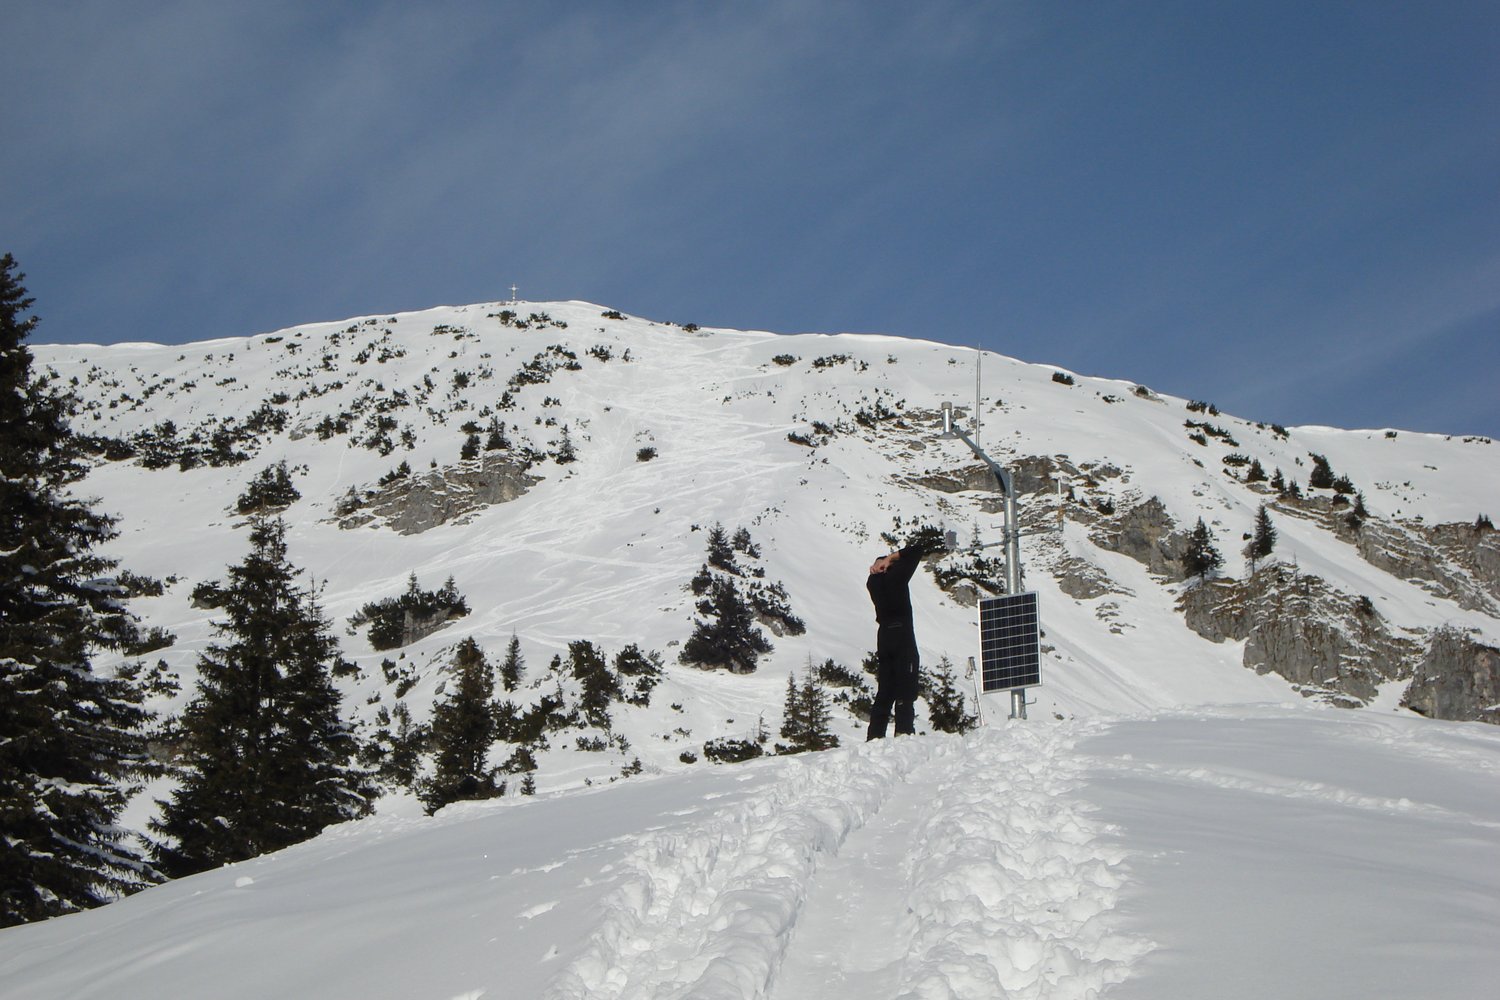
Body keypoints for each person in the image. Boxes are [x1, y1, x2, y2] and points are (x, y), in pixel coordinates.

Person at [865, 534, 945, 740]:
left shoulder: (873, 583)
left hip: (884, 635)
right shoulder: (896, 578)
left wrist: (880, 564)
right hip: (901, 634)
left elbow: (876, 573)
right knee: (905, 685)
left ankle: (875, 735)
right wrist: (890, 558)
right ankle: (904, 731)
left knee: (885, 688)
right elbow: (917, 550)